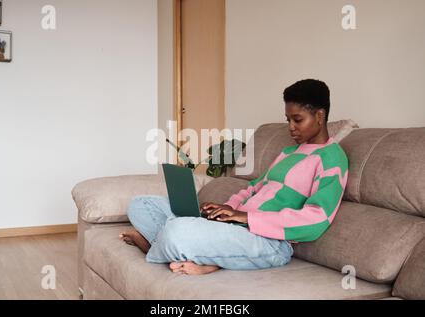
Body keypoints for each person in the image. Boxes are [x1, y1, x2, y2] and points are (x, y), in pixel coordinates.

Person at [120, 79, 348, 275]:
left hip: (270, 241)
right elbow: (253, 188)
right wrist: (225, 210)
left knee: (177, 231)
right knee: (141, 204)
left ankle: (160, 246)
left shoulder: (332, 158)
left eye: (297, 120)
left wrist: (246, 218)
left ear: (320, 116)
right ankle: (193, 249)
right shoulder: (288, 153)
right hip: (238, 227)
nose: (290, 128)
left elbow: (316, 219)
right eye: (287, 119)